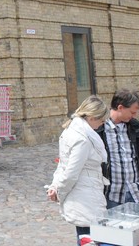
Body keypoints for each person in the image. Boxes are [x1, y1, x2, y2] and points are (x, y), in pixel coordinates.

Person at [47, 95, 109, 244]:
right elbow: (70, 172)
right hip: (85, 198)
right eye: (101, 120)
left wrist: (55, 186)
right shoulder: (82, 138)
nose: (102, 124)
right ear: (92, 117)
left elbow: (63, 165)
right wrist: (58, 191)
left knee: (85, 237)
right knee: (88, 238)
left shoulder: (72, 132)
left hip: (85, 194)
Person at [96, 88, 139, 208]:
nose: (135, 116)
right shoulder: (99, 129)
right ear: (120, 108)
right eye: (132, 112)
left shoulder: (135, 126)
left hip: (138, 193)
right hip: (113, 196)